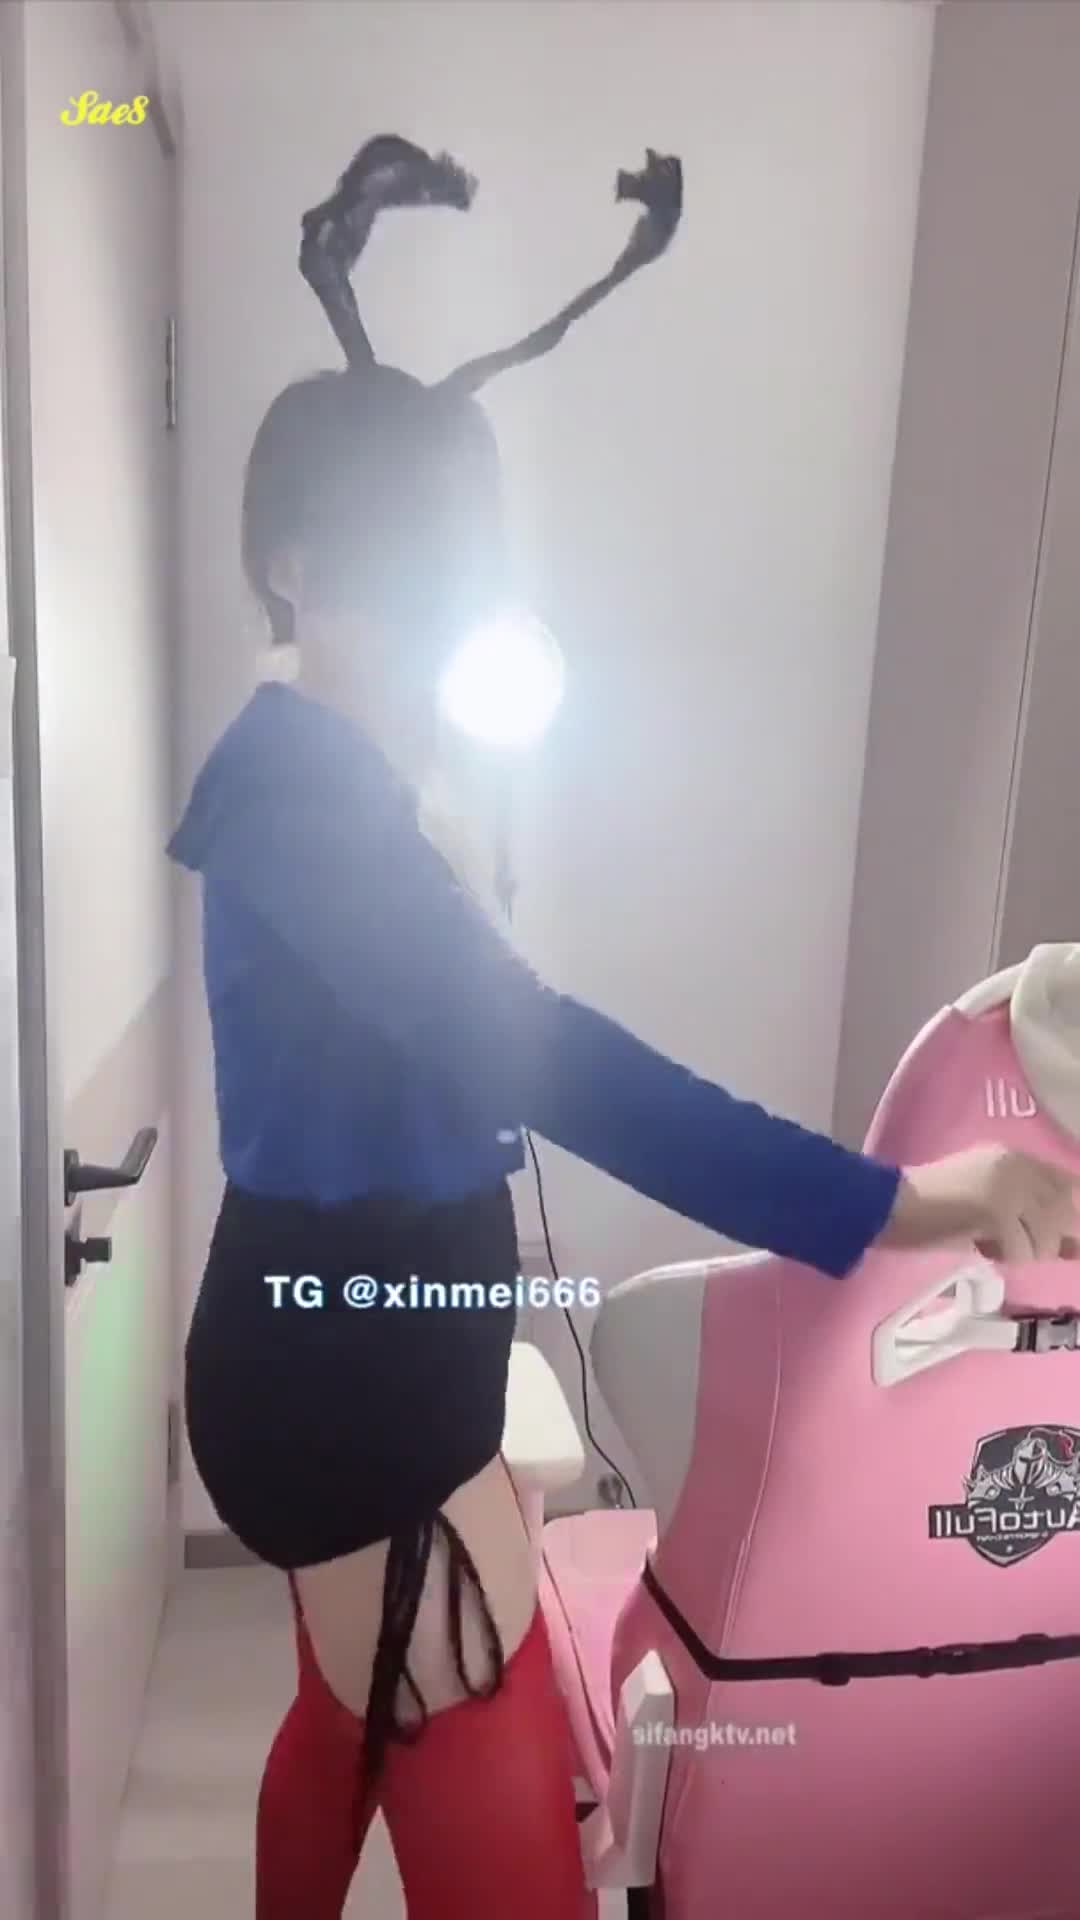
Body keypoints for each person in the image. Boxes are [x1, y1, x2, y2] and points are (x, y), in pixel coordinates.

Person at [169, 137, 1078, 1920]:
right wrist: (912, 1200)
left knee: (339, 1712)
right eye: (389, 569)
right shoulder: (304, 802)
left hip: (360, 1346)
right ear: (288, 568)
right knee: (487, 1781)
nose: (430, 608)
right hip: (346, 1385)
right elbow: (558, 1062)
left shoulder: (331, 781)